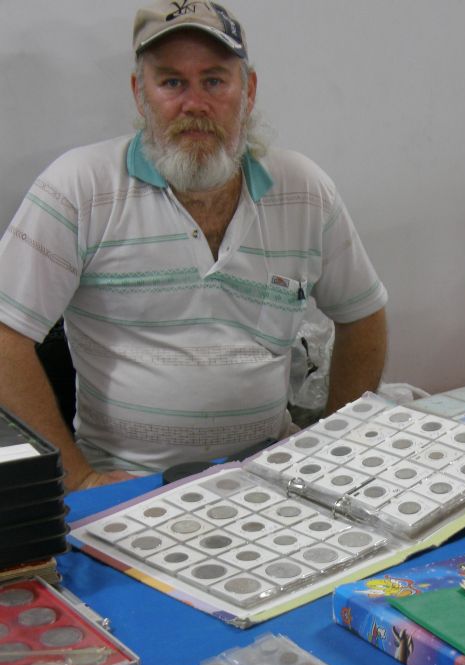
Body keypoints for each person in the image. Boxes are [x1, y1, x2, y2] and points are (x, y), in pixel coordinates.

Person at [0, 0, 388, 490]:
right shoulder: (79, 189)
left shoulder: (305, 191)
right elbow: (5, 335)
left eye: (214, 81)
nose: (195, 105)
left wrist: (336, 446)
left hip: (271, 475)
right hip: (132, 486)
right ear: (139, 94)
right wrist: (76, 479)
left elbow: (363, 315)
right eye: (171, 83)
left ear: (248, 91)